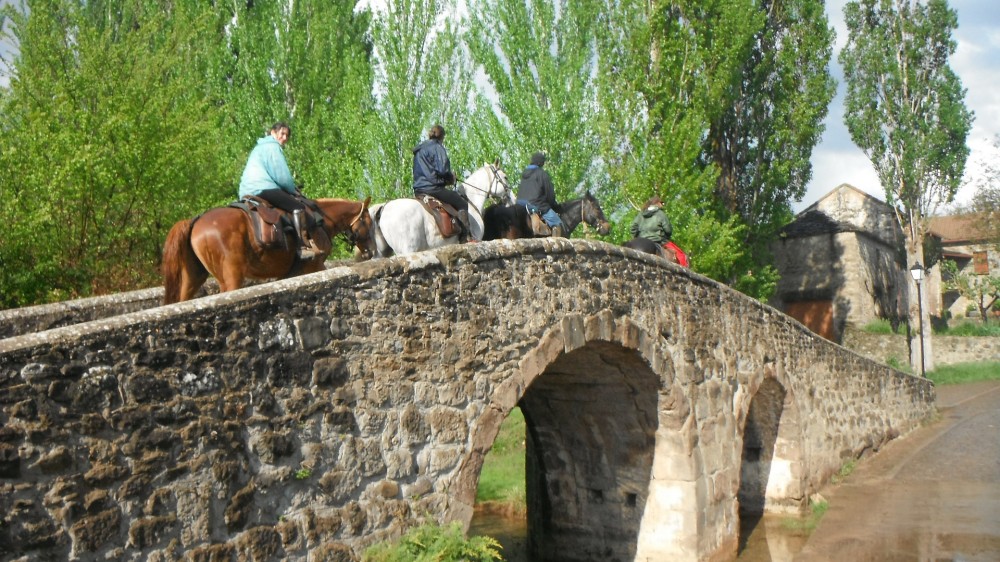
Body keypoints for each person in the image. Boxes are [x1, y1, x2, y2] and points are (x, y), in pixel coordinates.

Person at [238, 122, 320, 259]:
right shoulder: (273, 147)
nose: (284, 138)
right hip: (263, 187)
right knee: (297, 206)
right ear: (273, 133)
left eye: (287, 135)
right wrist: (292, 190)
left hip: (246, 190)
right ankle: (301, 246)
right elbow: (282, 176)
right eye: (282, 134)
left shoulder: (259, 148)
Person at [412, 124, 471, 242]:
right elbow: (443, 170)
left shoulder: (419, 149)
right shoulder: (437, 147)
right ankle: (466, 237)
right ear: (442, 137)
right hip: (433, 188)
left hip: (418, 189)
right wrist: (451, 177)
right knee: (462, 203)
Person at [515, 152, 564, 236]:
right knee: (557, 222)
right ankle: (556, 247)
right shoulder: (542, 174)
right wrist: (555, 206)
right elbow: (550, 195)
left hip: (519, 204)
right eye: (543, 162)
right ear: (540, 162)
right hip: (536, 204)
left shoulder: (524, 174)